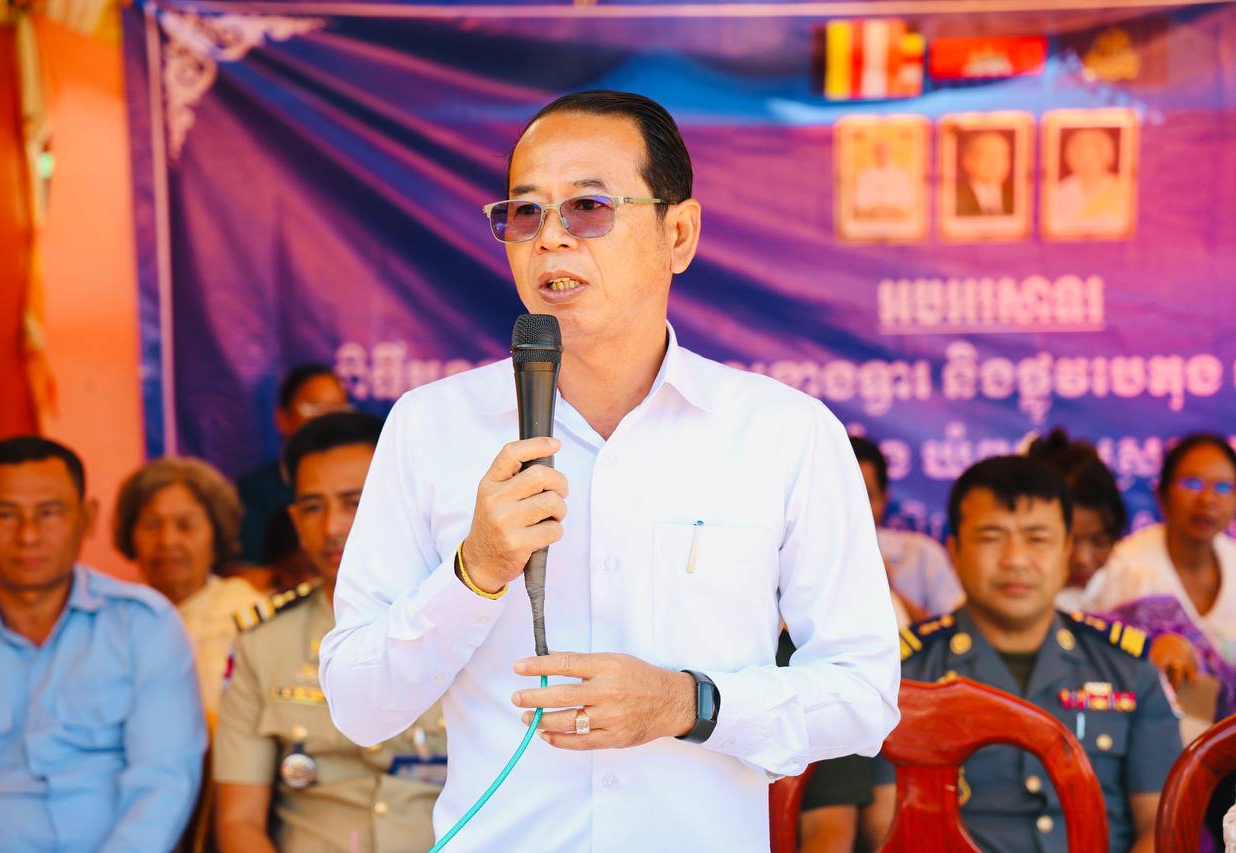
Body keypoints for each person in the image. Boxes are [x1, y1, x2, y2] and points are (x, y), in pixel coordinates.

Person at [320, 90, 900, 851]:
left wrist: (687, 704)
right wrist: (475, 571)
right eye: (525, 213)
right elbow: (358, 705)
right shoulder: (431, 428)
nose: (550, 239)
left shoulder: (784, 433)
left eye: (588, 207)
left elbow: (862, 693)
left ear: (678, 234)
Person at [866, 455, 1181, 853]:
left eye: (1037, 539)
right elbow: (886, 828)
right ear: (955, 552)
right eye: (991, 537)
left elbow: (1162, 826)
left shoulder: (1128, 669)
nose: (1015, 559)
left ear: (1066, 551)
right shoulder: (903, 674)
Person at [0, 436, 206, 851]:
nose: (29, 535)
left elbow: (164, 781)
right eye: (6, 514)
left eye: (49, 513)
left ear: (87, 519)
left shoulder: (143, 624)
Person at [215, 412, 446, 852]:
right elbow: (239, 820)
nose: (332, 527)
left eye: (353, 502)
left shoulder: (464, 620)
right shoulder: (261, 643)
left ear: (400, 503)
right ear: (295, 520)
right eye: (313, 507)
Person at [1084, 433, 1236, 720]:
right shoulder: (1123, 566)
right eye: (1192, 484)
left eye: (1224, 487)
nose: (1207, 499)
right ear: (1162, 494)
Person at [113, 456, 265, 717]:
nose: (167, 541)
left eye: (185, 526)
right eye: (152, 525)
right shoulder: (111, 614)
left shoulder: (249, 616)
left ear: (217, 534)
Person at [237, 363, 350, 567]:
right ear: (282, 418)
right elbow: (246, 569)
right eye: (313, 408)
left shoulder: (370, 484)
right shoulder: (250, 491)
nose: (327, 419)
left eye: (337, 409)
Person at [852, 435, 963, 619]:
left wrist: (888, 589)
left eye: (865, 497)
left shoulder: (924, 554)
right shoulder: (800, 557)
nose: (851, 509)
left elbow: (954, 632)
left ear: (884, 499)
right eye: (838, 498)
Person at [1026, 428, 1128, 611]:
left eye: (1099, 542)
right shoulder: (1003, 606)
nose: (1082, 559)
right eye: (1069, 540)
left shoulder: (1135, 592)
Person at [1048, 126, 1130, 235]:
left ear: (1106, 158)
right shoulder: (1059, 192)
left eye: (1093, 158)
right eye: (1082, 158)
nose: (1088, 165)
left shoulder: (1122, 189)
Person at [955, 130, 1014, 216]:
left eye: (1002, 156)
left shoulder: (1019, 196)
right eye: (987, 155)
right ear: (968, 160)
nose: (995, 162)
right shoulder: (953, 195)